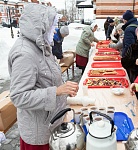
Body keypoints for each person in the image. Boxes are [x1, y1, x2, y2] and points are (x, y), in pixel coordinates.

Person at [8, 4, 79, 150]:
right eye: (51, 26)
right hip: (38, 133)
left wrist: (65, 89)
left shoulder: (41, 45)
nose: (54, 31)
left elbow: (48, 77)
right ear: (39, 26)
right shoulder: (24, 54)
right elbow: (19, 96)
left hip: (51, 123)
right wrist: (57, 91)